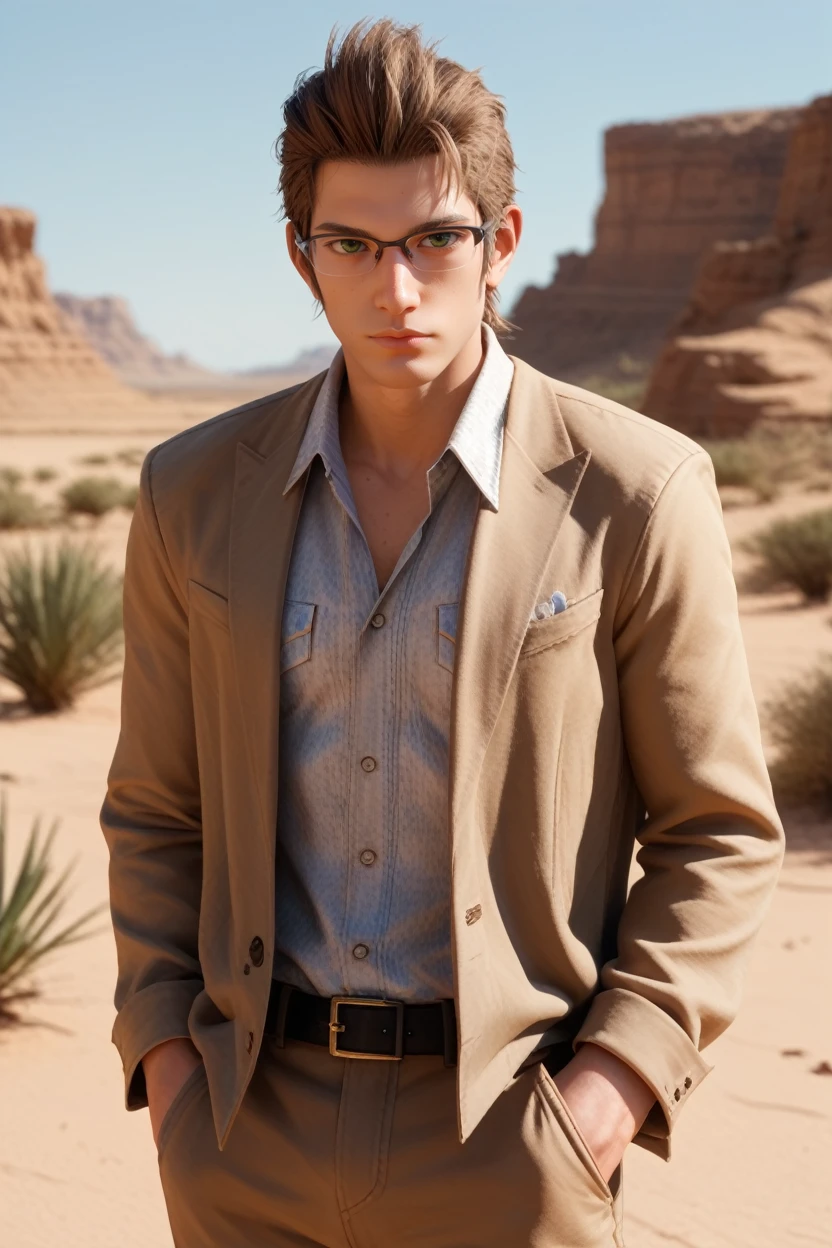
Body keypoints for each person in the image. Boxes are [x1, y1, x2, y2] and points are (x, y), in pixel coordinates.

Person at [100, 19, 784, 1248]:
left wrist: (605, 1096)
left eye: (434, 240)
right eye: (351, 245)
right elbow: (158, 809)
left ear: (500, 244)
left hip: (510, 1143)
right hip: (244, 1131)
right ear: (302, 258)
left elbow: (718, 832)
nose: (395, 287)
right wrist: (169, 1072)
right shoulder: (191, 492)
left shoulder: (636, 490)